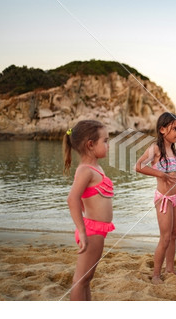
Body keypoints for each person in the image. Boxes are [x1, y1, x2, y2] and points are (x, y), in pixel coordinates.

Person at [135, 112, 176, 284]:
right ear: (162, 129)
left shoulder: (173, 150)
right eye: (175, 128)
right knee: (164, 238)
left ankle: (169, 268)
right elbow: (139, 166)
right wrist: (160, 174)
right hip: (164, 199)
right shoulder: (155, 149)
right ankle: (156, 274)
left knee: (173, 235)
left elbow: (175, 177)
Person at [63, 120, 115, 301]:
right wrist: (82, 231)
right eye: (105, 141)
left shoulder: (95, 168)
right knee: (80, 279)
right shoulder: (86, 170)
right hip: (91, 231)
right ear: (90, 145)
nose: (108, 145)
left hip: (97, 230)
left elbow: (86, 197)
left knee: (86, 279)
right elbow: (72, 199)